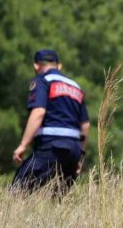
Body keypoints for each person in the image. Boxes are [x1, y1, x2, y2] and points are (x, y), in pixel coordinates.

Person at [11, 49, 90, 196]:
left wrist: (23, 145)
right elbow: (85, 125)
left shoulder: (42, 80)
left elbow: (39, 112)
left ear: (36, 66)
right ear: (59, 66)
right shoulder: (75, 86)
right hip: (74, 150)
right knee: (57, 200)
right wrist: (80, 156)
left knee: (17, 191)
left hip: (51, 145)